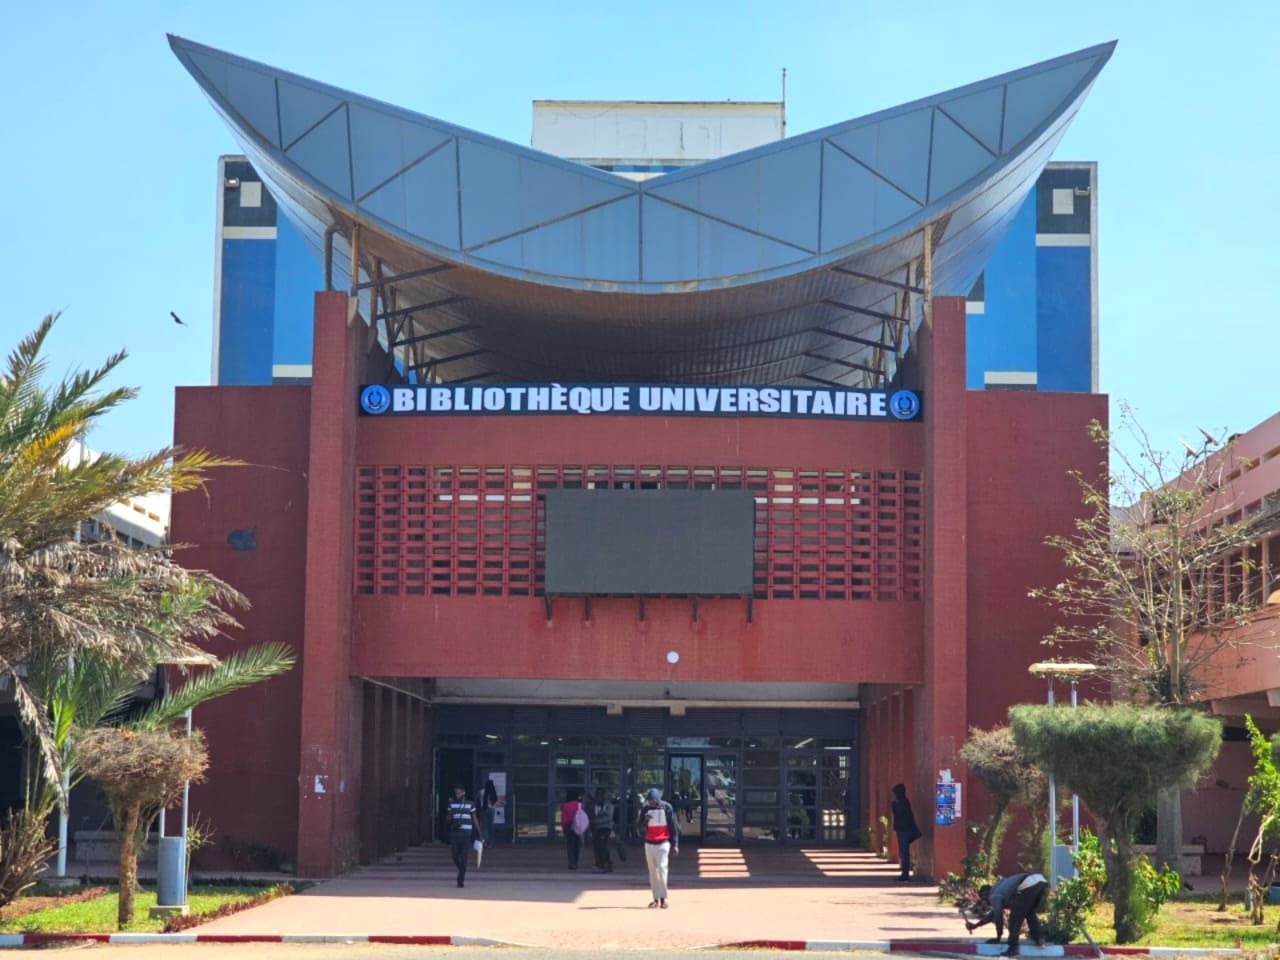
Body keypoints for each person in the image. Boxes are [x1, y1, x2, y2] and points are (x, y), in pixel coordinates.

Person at [966, 871, 1049, 956]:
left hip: (1027, 883)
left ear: (985, 895)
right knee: (1029, 912)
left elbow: (998, 917)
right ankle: (1040, 939)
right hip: (1040, 880)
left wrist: (998, 937)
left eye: (984, 899)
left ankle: (1013, 948)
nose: (986, 903)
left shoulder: (994, 895)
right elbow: (993, 914)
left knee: (1015, 918)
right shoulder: (1000, 888)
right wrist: (976, 925)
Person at [637, 787, 679, 908]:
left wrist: (675, 844)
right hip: (649, 844)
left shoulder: (667, 808)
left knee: (662, 869)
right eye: (649, 801)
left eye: (652, 801)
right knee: (652, 872)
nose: (651, 803)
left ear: (657, 800)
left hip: (663, 843)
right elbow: (639, 828)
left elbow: (673, 827)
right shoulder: (646, 810)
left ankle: (663, 898)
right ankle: (655, 898)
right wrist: (645, 821)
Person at [445, 783, 481, 888]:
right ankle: (462, 869)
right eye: (456, 793)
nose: (457, 795)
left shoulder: (470, 804)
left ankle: (460, 879)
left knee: (464, 855)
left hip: (466, 832)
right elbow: (448, 819)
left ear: (463, 793)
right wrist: (450, 812)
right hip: (455, 832)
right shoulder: (452, 804)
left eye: (459, 792)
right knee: (455, 855)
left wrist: (479, 832)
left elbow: (474, 818)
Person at [890, 783, 921, 881]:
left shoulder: (903, 802)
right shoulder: (902, 801)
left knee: (904, 852)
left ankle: (905, 874)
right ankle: (904, 872)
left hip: (904, 830)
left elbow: (898, 813)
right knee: (903, 851)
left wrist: (894, 804)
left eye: (895, 793)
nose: (894, 795)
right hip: (902, 829)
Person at [589, 788, 615, 873]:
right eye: (597, 796)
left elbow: (609, 818)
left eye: (600, 796)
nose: (598, 798)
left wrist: (596, 821)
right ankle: (601, 863)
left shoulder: (609, 805)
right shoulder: (594, 805)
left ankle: (604, 864)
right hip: (596, 828)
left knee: (602, 845)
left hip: (605, 828)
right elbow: (591, 815)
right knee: (597, 846)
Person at [560, 790, 584, 869]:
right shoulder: (580, 805)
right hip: (578, 827)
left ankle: (571, 862)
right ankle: (576, 862)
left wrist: (564, 828)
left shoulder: (565, 806)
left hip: (569, 828)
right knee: (577, 846)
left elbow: (564, 818)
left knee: (570, 846)